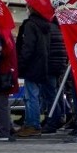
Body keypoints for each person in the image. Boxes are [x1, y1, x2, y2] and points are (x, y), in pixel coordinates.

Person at [15, 8, 52, 137]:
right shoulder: (46, 25)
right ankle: (31, 123)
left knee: (31, 97)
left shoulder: (30, 25)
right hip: (41, 65)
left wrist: (21, 63)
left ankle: (33, 125)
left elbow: (27, 47)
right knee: (34, 96)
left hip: (32, 65)